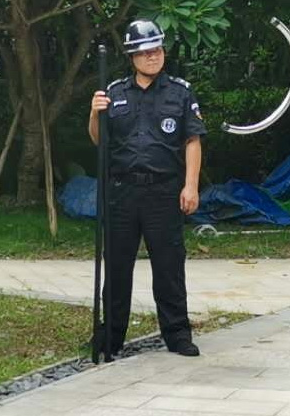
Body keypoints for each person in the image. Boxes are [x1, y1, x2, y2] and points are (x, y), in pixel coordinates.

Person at [88, 19, 205, 357]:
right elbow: (99, 141)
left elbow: (193, 140)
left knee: (169, 266)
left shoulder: (180, 92)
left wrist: (191, 186)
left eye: (157, 50)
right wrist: (94, 114)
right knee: (117, 267)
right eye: (144, 52)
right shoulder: (114, 93)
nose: (153, 56)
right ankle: (110, 337)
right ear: (132, 57)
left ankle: (178, 334)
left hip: (163, 191)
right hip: (122, 192)